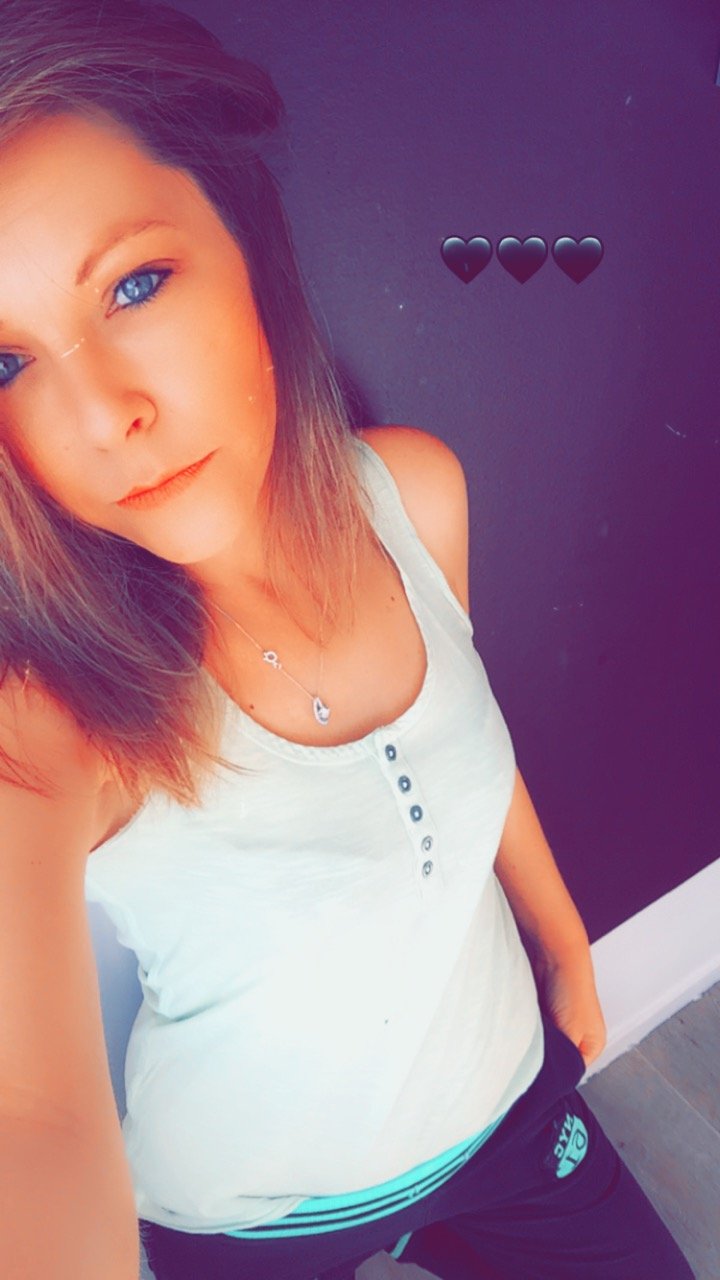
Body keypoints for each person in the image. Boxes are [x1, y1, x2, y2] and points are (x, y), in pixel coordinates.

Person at [0, 3, 695, 1279]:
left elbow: (466, 740)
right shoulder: (46, 719)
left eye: (134, 285)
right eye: (6, 362)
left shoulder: (413, 491)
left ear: (244, 242)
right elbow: (29, 1120)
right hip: (254, 1220)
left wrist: (560, 938)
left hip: (509, 1107)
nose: (106, 414)